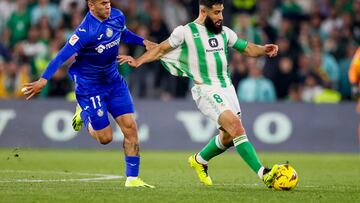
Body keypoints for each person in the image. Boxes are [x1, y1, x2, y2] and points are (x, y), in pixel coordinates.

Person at [118, 0, 280, 188]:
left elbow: (246, 47)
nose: (220, 17)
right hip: (205, 90)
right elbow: (161, 49)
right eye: (217, 13)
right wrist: (138, 61)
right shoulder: (185, 32)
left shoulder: (225, 32)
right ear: (203, 10)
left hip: (227, 88)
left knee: (228, 137)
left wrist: (263, 49)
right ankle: (265, 174)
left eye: (221, 12)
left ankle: (200, 160)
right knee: (236, 127)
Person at [22, 0, 155, 188]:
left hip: (114, 82)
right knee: (105, 138)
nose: (108, 6)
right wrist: (43, 79)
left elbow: (123, 33)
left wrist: (143, 42)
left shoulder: (117, 15)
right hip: (90, 87)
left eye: (108, 2)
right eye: (102, 3)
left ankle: (132, 179)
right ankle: (84, 114)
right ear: (91, 6)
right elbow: (62, 55)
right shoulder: (85, 31)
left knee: (130, 128)